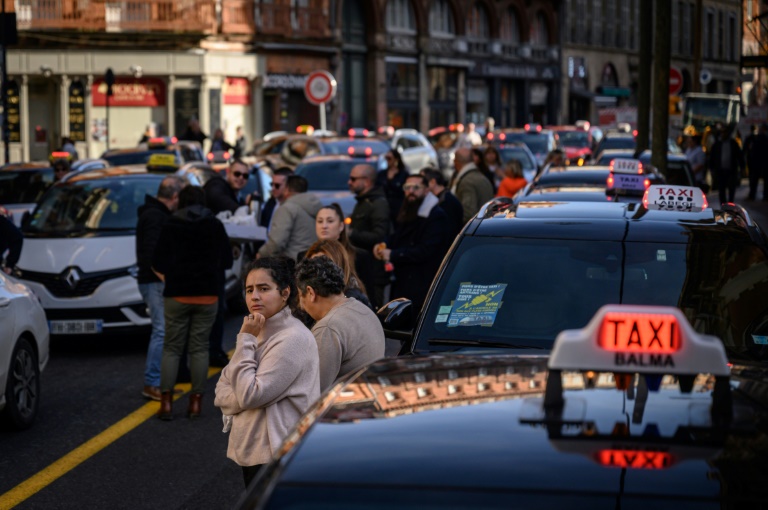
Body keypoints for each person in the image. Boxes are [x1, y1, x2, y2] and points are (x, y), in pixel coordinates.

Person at [214, 256, 319, 488]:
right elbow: (221, 388)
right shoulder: (259, 328)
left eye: (264, 288)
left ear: (284, 293)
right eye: (249, 289)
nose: (254, 296)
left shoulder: (292, 338)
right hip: (257, 448)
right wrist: (240, 396)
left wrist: (246, 339)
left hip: (277, 453)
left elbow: (250, 394)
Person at [152, 186, 233, 420]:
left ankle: (166, 403)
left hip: (176, 293)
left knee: (172, 347)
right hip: (208, 294)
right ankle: (196, 403)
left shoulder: (170, 225)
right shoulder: (214, 225)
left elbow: (158, 260)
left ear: (181, 201)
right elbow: (226, 260)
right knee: (199, 348)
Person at [295, 256, 384, 391]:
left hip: (344, 406)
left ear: (310, 293)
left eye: (300, 296)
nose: (301, 306)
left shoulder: (328, 328)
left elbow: (311, 389)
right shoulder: (363, 309)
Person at [136, 175, 185, 401]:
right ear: (174, 196)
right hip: (155, 282)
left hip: (152, 281)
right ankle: (152, 382)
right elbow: (151, 255)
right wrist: (167, 279)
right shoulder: (156, 216)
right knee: (162, 330)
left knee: (164, 331)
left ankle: (160, 383)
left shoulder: (152, 213)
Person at [374, 174, 452, 312]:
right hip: (405, 281)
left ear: (427, 190)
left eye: (416, 187)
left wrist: (393, 254)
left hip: (422, 283)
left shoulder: (436, 216)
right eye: (407, 187)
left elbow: (425, 250)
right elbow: (397, 236)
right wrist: (384, 245)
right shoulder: (408, 208)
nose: (411, 191)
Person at [301, 203, 375, 304]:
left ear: (341, 226)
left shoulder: (360, 256)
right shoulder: (304, 256)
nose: (324, 226)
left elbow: (369, 294)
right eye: (320, 221)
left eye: (330, 221)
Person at [347, 164, 390, 308]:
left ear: (366, 181)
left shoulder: (377, 203)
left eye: (353, 179)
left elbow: (379, 235)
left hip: (373, 272)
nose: (349, 182)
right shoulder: (363, 201)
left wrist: (351, 233)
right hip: (362, 269)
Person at [257, 175, 322, 260]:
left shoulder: (287, 208)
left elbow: (277, 242)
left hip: (292, 264)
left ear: (287, 189)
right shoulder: (316, 207)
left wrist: (261, 253)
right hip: (312, 260)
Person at [304, 239, 372, 309]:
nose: (317, 272)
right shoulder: (308, 298)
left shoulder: (353, 300)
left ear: (338, 266)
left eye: (324, 265)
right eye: (313, 266)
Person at [451, 147, 494, 224]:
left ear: (456, 162)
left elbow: (468, 214)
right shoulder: (481, 176)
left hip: (475, 230)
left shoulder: (467, 182)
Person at [420, 167, 464, 238]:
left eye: (423, 182)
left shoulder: (447, 201)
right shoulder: (441, 198)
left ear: (433, 182)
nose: (421, 185)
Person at [708, 125, 744, 204]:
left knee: (731, 189)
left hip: (731, 171)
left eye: (725, 132)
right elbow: (712, 158)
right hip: (720, 171)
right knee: (721, 189)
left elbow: (739, 156)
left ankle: (730, 204)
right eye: (722, 133)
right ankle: (723, 205)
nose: (724, 134)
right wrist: (712, 169)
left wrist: (742, 168)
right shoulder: (717, 145)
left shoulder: (733, 144)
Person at [376, 149, 409, 226]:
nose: (387, 160)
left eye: (389, 158)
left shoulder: (403, 175)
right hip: (383, 207)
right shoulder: (382, 174)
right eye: (386, 158)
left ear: (396, 159)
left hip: (397, 208)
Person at [260, 167, 292, 231]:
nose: (273, 188)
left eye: (277, 185)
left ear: (288, 186)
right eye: (272, 184)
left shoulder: (294, 207)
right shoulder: (270, 204)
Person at [745, 123, 768, 201]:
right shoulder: (760, 138)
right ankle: (764, 196)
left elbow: (754, 151)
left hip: (758, 163)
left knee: (754, 180)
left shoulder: (757, 138)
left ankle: (753, 195)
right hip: (762, 163)